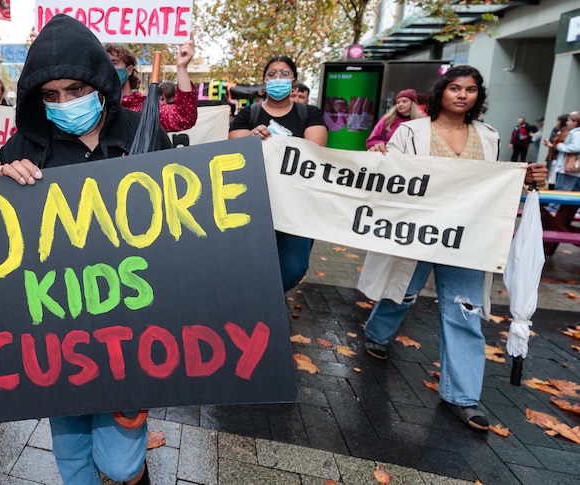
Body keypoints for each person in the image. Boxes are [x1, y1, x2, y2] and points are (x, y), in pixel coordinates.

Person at [0, 14, 170, 485]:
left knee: (121, 461)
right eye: (50, 95)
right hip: (58, 329)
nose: (65, 102)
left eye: (75, 89)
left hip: (130, 321)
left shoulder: (143, 133)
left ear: (100, 82)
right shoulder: (23, 147)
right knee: (72, 457)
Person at [357, 65, 547, 430]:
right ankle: (377, 334)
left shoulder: (488, 136)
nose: (462, 95)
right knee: (404, 291)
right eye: (455, 88)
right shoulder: (411, 132)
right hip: (418, 233)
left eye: (471, 89)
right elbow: (389, 176)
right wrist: (382, 154)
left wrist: (523, 178)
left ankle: (463, 397)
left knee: (465, 310)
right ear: (441, 92)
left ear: (478, 96)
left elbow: (495, 184)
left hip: (467, 237)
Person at [229, 55, 328, 292]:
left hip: (296, 206)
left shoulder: (310, 114)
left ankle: (269, 295)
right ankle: (261, 303)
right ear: (264, 82)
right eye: (272, 74)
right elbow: (233, 150)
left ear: (294, 81)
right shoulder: (248, 115)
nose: (278, 78)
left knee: (292, 267)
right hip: (253, 202)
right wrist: (253, 139)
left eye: (285, 74)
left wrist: (279, 142)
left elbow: (315, 153)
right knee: (248, 261)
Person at [107, 41, 198, 132]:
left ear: (129, 70)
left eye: (114, 63)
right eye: (103, 64)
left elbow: (184, 117)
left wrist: (181, 67)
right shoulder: (97, 109)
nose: (107, 68)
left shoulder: (148, 108)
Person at [542, 112, 580, 255]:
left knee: (559, 197)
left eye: (570, 120)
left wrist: (559, 147)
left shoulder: (576, 133)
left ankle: (552, 222)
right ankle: (556, 223)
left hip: (568, 169)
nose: (568, 122)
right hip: (573, 170)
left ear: (576, 122)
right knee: (570, 199)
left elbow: (575, 148)